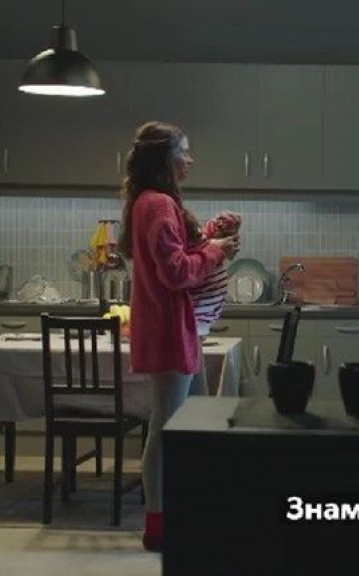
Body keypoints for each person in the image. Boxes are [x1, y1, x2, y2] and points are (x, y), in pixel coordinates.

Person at [117, 121, 240, 551]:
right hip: (170, 331)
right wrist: (216, 252)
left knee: (197, 420)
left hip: (182, 329)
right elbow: (175, 273)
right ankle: (158, 526)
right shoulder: (157, 205)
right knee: (167, 429)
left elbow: (177, 255)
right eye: (183, 152)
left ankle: (191, 508)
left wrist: (209, 238)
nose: (190, 159)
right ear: (164, 159)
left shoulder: (154, 202)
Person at [186, 211, 242, 396]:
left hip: (195, 330)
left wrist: (221, 236)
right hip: (190, 326)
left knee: (197, 399)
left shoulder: (197, 234)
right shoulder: (165, 213)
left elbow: (201, 248)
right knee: (190, 402)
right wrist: (217, 245)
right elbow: (185, 266)